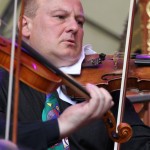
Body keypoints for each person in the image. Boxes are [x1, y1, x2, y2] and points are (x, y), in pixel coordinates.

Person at [0, 0, 150, 149]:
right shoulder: (4, 78)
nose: (74, 27)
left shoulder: (103, 88)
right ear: (25, 26)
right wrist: (60, 126)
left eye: (80, 22)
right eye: (60, 17)